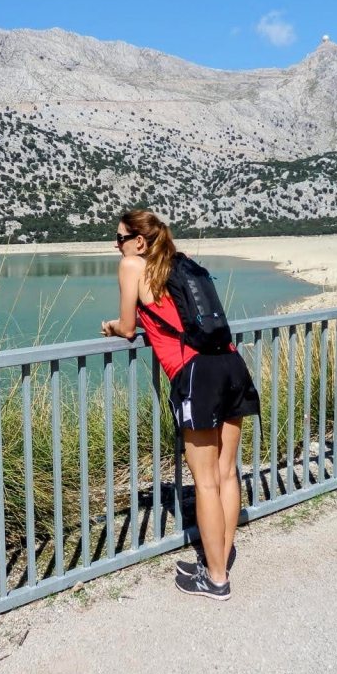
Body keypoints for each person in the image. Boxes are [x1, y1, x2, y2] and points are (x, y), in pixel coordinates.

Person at [101, 209, 260, 600]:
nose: (116, 245)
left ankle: (216, 579)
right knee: (226, 473)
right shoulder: (179, 263)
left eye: (119, 238)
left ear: (138, 242)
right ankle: (217, 557)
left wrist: (111, 327)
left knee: (205, 480)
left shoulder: (132, 266)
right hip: (230, 363)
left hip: (195, 374)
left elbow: (127, 327)